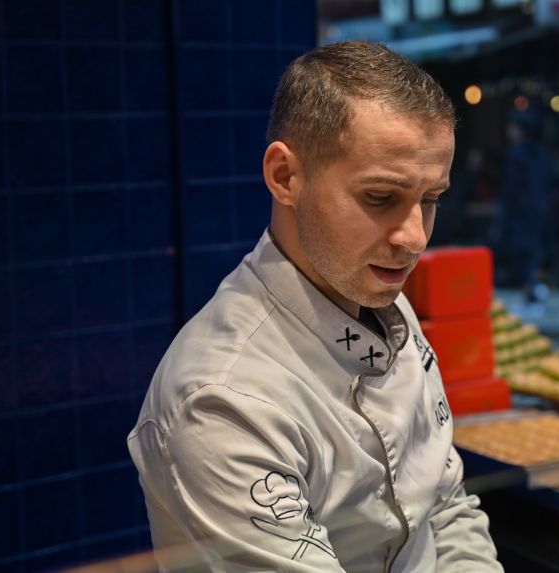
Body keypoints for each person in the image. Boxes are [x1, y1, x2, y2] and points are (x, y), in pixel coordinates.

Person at [128, 41, 504, 572]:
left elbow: (444, 504)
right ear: (285, 177)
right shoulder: (223, 398)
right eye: (380, 198)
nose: (415, 237)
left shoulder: (385, 306)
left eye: (431, 199)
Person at [497, 110, 551, 310]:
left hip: (520, 215)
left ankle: (534, 293)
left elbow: (511, 190)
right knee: (533, 255)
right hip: (539, 213)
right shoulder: (542, 153)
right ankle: (535, 291)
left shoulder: (517, 154)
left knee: (521, 257)